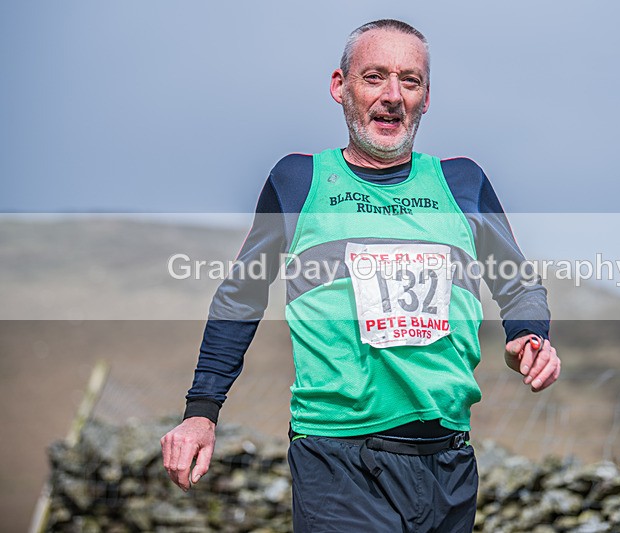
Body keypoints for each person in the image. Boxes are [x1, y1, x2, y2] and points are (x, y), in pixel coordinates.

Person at [161, 18, 560, 532]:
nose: (392, 95)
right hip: (337, 460)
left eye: (409, 81)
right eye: (374, 77)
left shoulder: (462, 182)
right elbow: (242, 294)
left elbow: (518, 283)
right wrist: (202, 410)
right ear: (340, 86)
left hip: (448, 462)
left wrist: (528, 334)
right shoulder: (298, 180)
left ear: (426, 96)